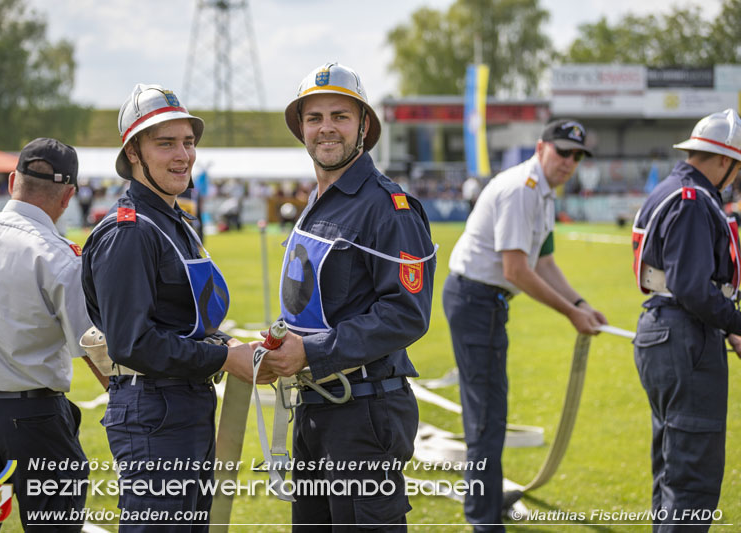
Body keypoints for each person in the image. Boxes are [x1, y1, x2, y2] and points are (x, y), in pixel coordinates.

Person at [81, 83, 275, 531]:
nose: (182, 155)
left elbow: (181, 322)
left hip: (184, 403)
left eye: (188, 142)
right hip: (153, 409)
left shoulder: (173, 220)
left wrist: (231, 345)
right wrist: (226, 357)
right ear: (133, 152)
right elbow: (133, 343)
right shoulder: (129, 231)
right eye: (165, 143)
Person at [260, 62, 436, 530]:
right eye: (314, 117)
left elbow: (407, 313)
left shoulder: (388, 206)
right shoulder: (321, 200)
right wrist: (284, 343)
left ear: (363, 126)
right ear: (301, 128)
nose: (326, 128)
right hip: (317, 408)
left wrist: (310, 352)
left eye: (340, 115)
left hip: (364, 412)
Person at [443, 119, 607, 531]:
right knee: (485, 417)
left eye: (578, 156)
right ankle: (483, 518)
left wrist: (581, 302)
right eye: (563, 151)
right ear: (540, 147)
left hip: (488, 301)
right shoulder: (522, 188)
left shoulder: (545, 193)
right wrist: (571, 313)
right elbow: (516, 270)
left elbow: (545, 263)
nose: (570, 161)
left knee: (491, 413)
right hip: (475, 299)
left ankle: (487, 503)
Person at [0, 138, 90, 531]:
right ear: (68, 196)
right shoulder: (58, 254)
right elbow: (92, 344)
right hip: (31, 418)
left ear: (12, 182)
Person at [631, 108, 741, 532]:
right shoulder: (693, 200)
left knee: (673, 471)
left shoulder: (671, 189)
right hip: (686, 336)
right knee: (693, 479)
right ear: (723, 160)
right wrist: (736, 321)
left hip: (664, 330)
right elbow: (694, 288)